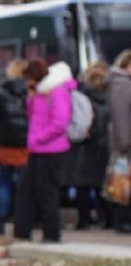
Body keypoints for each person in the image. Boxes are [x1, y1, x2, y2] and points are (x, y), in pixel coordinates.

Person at [14, 58, 76, 242]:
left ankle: (51, 233)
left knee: (47, 192)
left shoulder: (57, 92)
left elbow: (59, 122)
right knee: (28, 190)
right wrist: (30, 98)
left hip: (51, 149)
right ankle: (23, 231)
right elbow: (32, 115)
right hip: (37, 149)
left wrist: (37, 138)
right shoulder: (40, 93)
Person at [67, 63, 111, 230]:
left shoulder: (81, 97)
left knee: (82, 187)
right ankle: (107, 219)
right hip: (103, 146)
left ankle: (84, 220)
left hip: (83, 148)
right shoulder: (109, 98)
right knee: (103, 186)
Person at [0, 59, 29, 230]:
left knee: (4, 181)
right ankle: (22, 215)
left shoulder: (1, 95)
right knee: (23, 182)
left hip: (5, 144)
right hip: (26, 144)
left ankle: (1, 215)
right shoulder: (31, 92)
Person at [108, 50, 131, 233]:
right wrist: (124, 142)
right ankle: (121, 222)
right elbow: (121, 117)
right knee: (122, 184)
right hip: (126, 145)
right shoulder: (121, 86)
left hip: (125, 143)